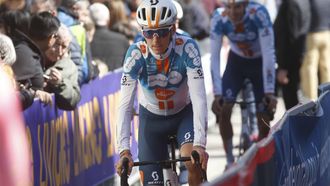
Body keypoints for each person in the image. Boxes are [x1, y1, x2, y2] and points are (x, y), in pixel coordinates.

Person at [115, 0, 209, 185]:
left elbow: (199, 99)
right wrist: (124, 150)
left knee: (192, 162)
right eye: (149, 33)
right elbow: (125, 105)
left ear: (173, 29)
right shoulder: (135, 54)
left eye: (162, 32)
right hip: (152, 120)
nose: (155, 40)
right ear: (142, 32)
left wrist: (200, 143)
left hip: (183, 115)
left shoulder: (188, 49)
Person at [210, 0, 277, 169]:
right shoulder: (219, 17)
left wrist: (270, 90)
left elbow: (269, 53)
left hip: (259, 63)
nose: (233, 12)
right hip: (237, 63)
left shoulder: (259, 14)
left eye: (238, 7)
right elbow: (215, 57)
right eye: (229, 7)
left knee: (264, 116)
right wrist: (217, 93)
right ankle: (229, 161)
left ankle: (262, 159)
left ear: (246, 4)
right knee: (224, 108)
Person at [44, 24, 81, 110]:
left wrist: (60, 84)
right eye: (57, 44)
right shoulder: (34, 58)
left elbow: (74, 99)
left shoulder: (70, 67)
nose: (60, 52)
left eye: (64, 47)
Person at [299, 0, 330, 101]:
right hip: (326, 34)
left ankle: (312, 99)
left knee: (310, 68)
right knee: (326, 67)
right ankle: (327, 96)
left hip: (313, 34)